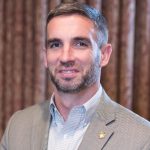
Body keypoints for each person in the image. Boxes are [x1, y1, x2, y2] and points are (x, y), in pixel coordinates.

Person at [1, 2, 150, 150]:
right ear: (45, 56)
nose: (66, 57)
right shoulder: (17, 126)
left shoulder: (142, 138)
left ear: (104, 55)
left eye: (80, 44)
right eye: (55, 45)